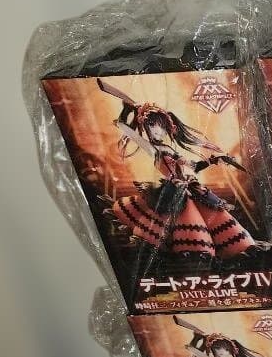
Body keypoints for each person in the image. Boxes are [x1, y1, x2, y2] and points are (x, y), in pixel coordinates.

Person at [98, 79, 262, 259]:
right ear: (145, 127)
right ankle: (193, 252)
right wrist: (126, 109)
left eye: (161, 126)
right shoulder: (153, 149)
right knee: (182, 224)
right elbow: (125, 128)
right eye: (151, 126)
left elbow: (193, 167)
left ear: (168, 127)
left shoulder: (170, 149)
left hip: (190, 188)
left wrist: (213, 160)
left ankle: (237, 248)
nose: (157, 130)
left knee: (216, 216)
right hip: (173, 192)